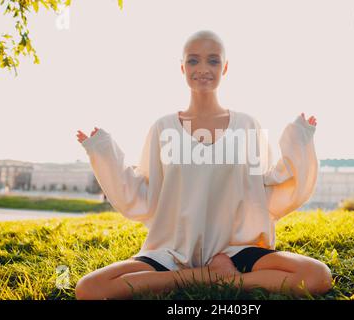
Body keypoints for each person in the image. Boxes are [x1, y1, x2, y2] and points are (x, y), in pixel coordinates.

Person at [74, 30, 331, 300]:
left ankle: (227, 279)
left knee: (317, 275)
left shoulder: (247, 125)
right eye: (194, 61)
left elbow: (263, 187)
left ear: (226, 67)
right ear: (182, 67)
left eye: (213, 60)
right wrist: (103, 152)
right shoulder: (163, 128)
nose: (203, 69)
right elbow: (144, 192)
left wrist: (299, 143)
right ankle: (198, 277)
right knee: (90, 288)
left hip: (234, 250)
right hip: (173, 251)